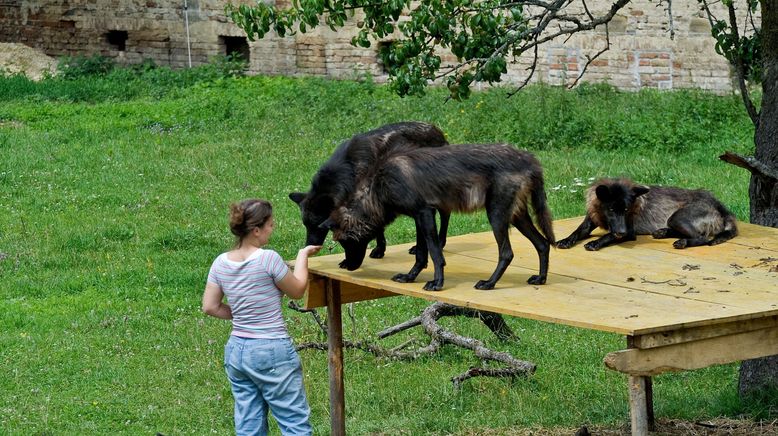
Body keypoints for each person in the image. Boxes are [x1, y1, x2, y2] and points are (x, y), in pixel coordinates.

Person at [202, 198, 321, 436]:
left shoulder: (220, 263)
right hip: (271, 350)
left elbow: (210, 306)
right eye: (270, 224)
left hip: (237, 351)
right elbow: (297, 290)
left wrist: (244, 313)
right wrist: (303, 256)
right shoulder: (268, 259)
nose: (272, 228)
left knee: (249, 425)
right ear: (256, 230)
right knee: (294, 423)